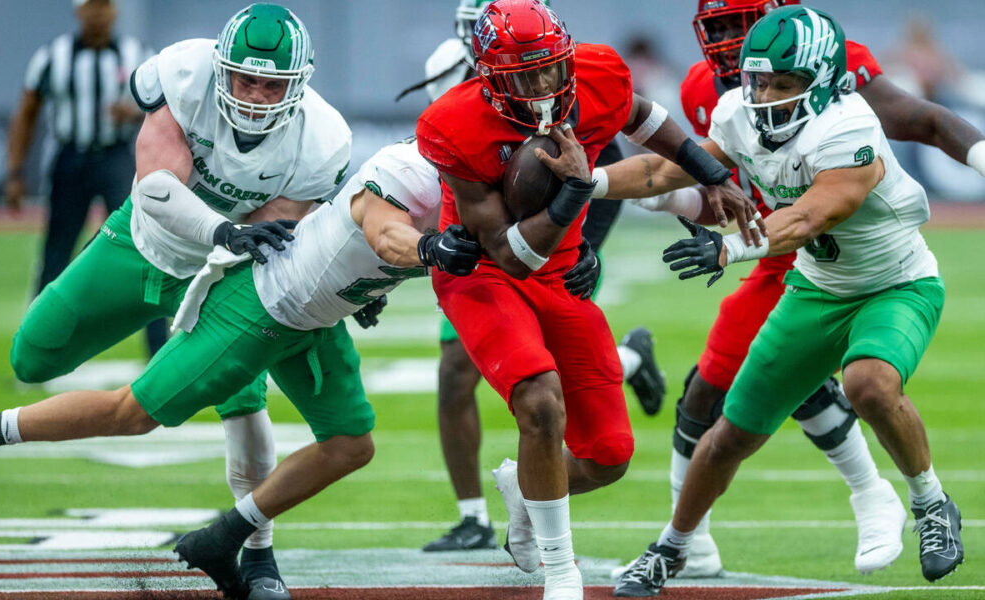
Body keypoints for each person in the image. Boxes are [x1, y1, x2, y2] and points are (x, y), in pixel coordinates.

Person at [0, 139, 482, 600]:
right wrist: (426, 250)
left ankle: (225, 539)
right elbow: (385, 233)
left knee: (351, 444)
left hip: (317, 320)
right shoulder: (408, 170)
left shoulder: (483, 182)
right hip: (262, 305)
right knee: (133, 412)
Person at [611, 0, 985, 579]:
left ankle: (930, 502)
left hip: (895, 285)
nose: (764, 95)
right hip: (814, 288)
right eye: (759, 80)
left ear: (821, 82)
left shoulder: (850, 126)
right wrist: (589, 181)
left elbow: (807, 218)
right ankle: (673, 545)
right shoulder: (737, 108)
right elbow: (671, 169)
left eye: (783, 83)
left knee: (867, 382)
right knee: (730, 433)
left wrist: (728, 248)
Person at [6, 4, 357, 598]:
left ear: (299, 85)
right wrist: (225, 229)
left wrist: (240, 246)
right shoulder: (183, 74)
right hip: (141, 243)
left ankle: (259, 555)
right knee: (31, 357)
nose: (255, 95)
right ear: (220, 69)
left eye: (272, 83)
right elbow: (157, 188)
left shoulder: (322, 141)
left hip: (226, 278)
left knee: (245, 405)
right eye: (244, 78)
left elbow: (277, 230)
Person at [416, 1, 762, 597]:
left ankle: (525, 488)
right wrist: (576, 190)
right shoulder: (455, 123)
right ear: (489, 75)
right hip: (485, 276)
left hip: (563, 269)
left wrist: (709, 172)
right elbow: (509, 255)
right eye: (524, 75)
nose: (543, 84)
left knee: (608, 455)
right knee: (541, 402)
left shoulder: (597, 72)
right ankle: (561, 574)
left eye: (550, 68)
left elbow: (645, 118)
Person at [403, 0, 666, 554]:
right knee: (481, 377)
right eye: (520, 60)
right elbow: (436, 186)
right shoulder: (451, 94)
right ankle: (477, 515)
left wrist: (587, 244)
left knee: (598, 435)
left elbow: (602, 162)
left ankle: (524, 497)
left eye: (545, 58)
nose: (538, 72)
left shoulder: (579, 75)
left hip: (556, 234)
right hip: (481, 251)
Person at [4, 0, 165, 355]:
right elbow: (27, 111)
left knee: (146, 248)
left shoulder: (138, 54)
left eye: (104, 7)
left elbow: (166, 108)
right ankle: (36, 346)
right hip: (71, 158)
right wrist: (15, 171)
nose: (98, 14)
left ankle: (159, 349)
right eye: (91, 7)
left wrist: (137, 111)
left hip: (117, 157)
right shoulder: (53, 55)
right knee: (56, 251)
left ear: (114, 12)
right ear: (79, 11)